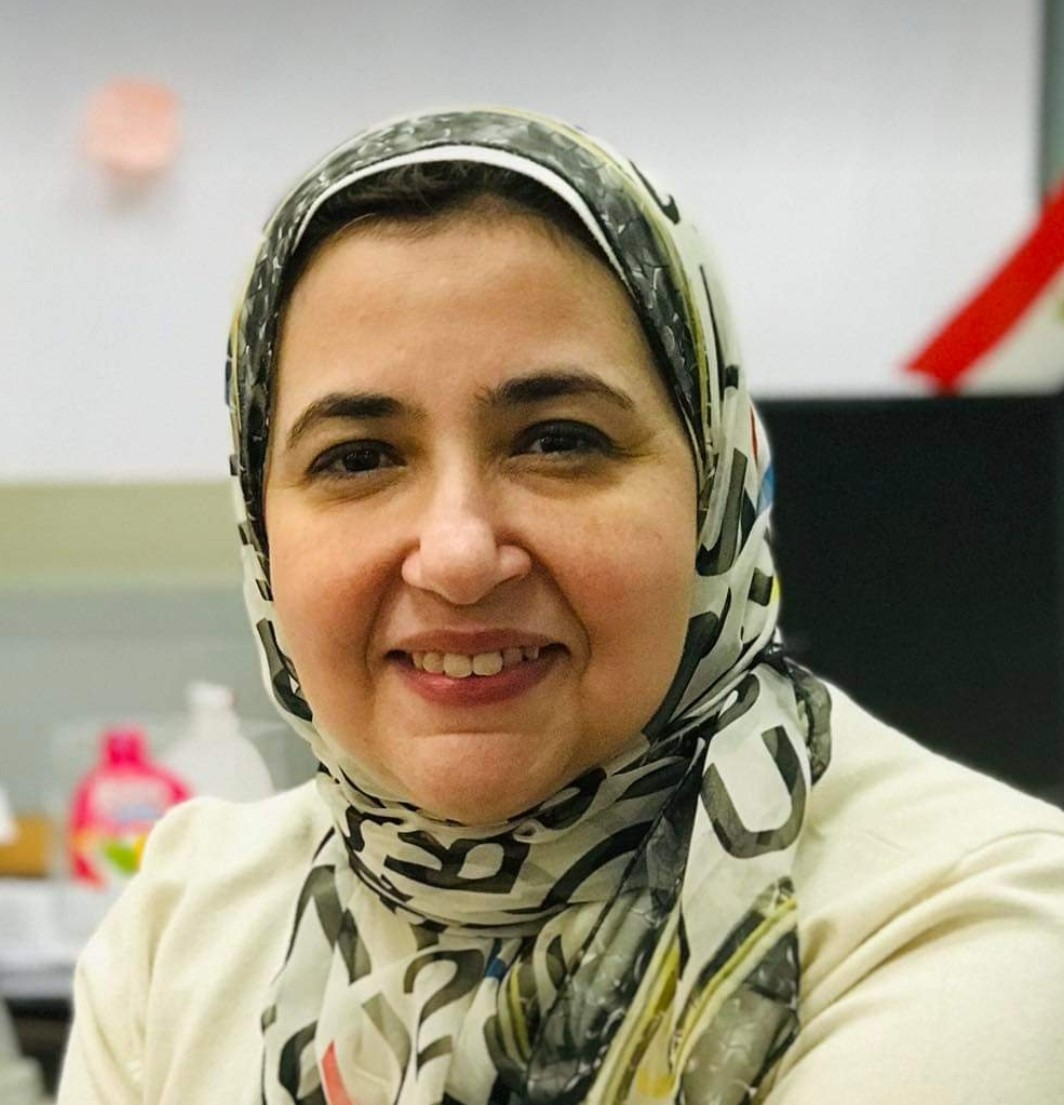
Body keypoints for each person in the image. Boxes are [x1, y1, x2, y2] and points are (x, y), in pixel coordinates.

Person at [58, 108, 1064, 1105]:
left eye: (559, 440)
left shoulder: (964, 920)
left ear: (716, 483)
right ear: (259, 527)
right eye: (358, 457)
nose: (457, 555)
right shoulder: (184, 931)